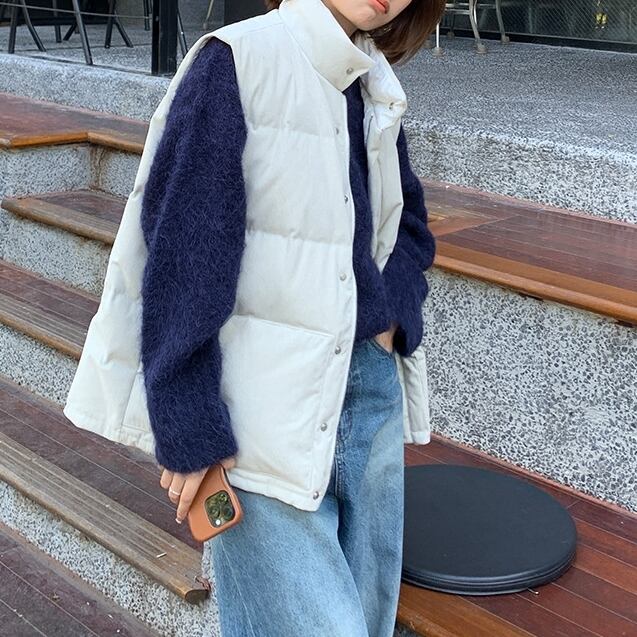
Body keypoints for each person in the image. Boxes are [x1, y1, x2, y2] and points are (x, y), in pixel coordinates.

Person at [139, 0, 444, 635]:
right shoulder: (237, 61)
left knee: (369, 620)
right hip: (265, 414)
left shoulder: (370, 77)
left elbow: (408, 226)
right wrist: (186, 420)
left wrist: (389, 317)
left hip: (371, 394)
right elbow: (182, 256)